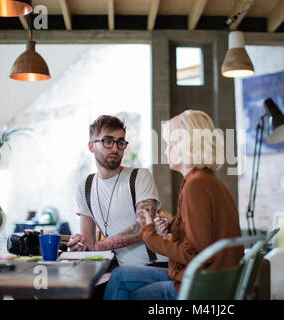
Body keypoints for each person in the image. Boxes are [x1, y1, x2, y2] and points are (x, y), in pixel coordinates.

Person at [103, 110, 243, 300]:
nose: (166, 150)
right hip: (215, 281)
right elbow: (202, 232)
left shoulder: (196, 186)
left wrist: (148, 233)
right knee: (120, 276)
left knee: (130, 293)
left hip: (200, 290)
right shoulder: (206, 180)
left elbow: (193, 253)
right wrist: (173, 225)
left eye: (169, 144)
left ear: (186, 146)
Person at [68, 115, 168, 270]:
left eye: (120, 142)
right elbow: (88, 240)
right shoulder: (85, 186)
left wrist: (98, 246)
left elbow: (143, 225)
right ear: (91, 146)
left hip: (156, 266)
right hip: (120, 269)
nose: (115, 148)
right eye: (108, 141)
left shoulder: (140, 176)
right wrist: (81, 243)